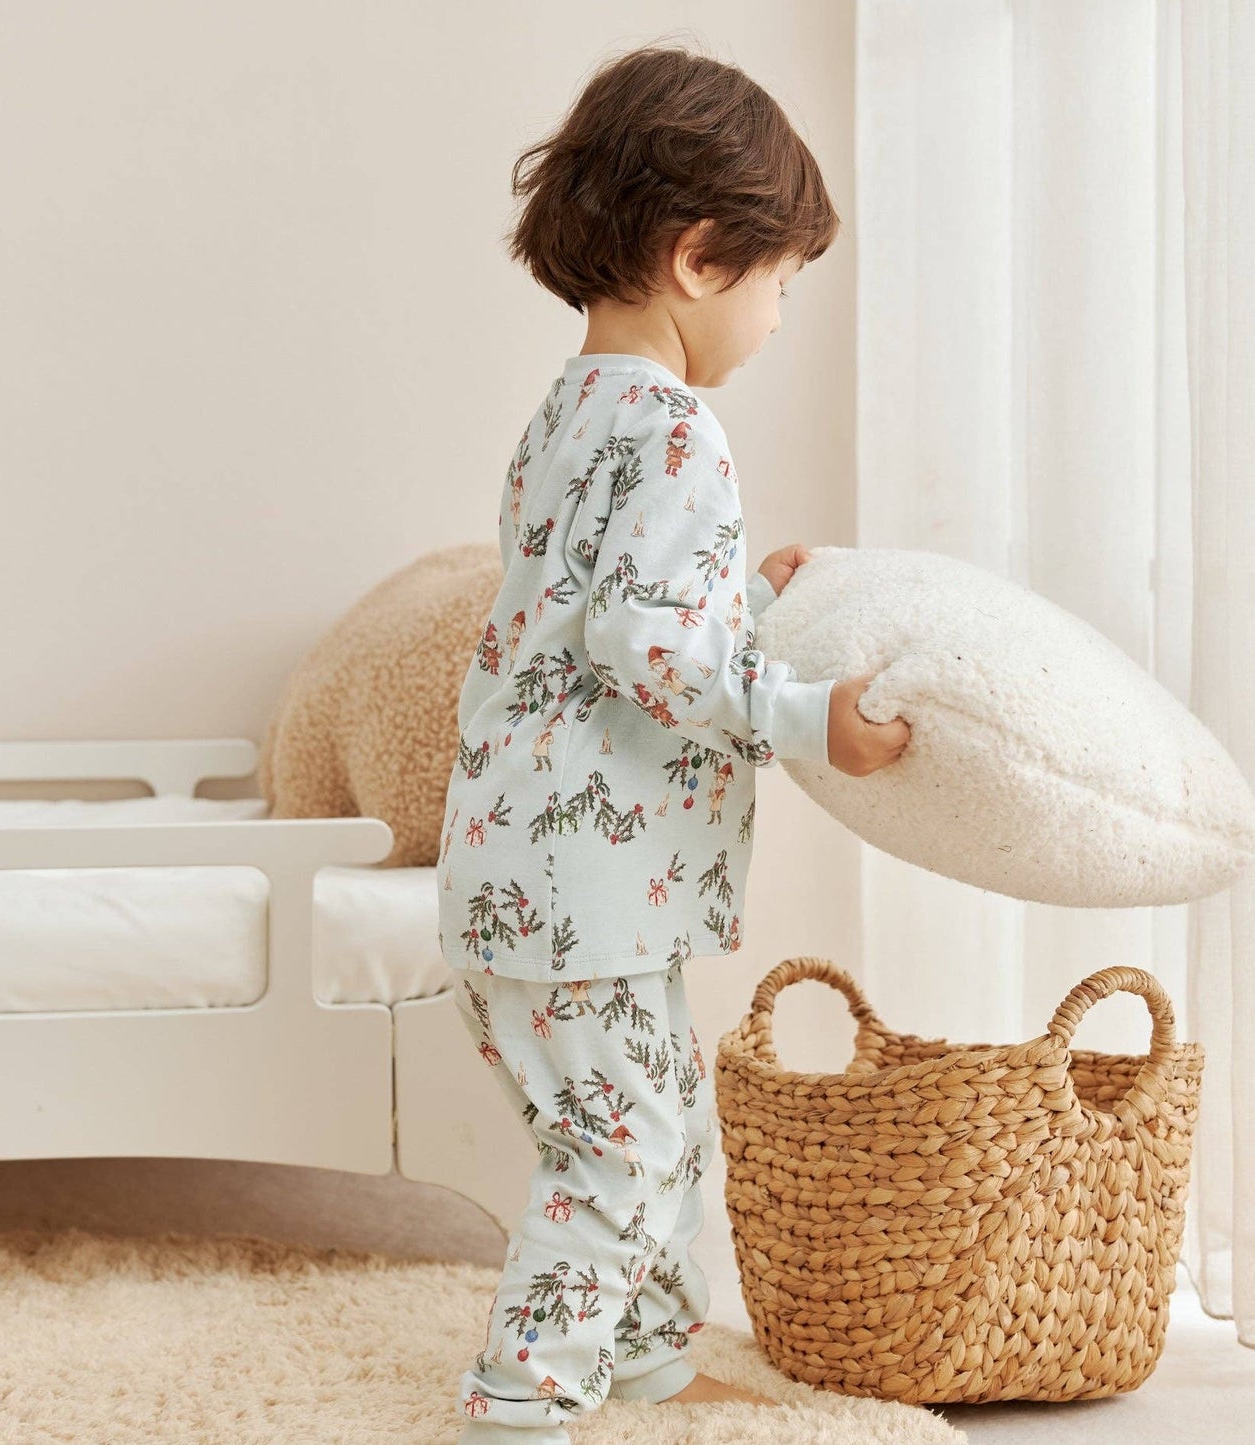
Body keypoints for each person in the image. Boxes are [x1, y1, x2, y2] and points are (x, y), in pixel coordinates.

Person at [437, 40, 910, 1445]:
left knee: (646, 1134)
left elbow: (606, 610)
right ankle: (516, 1401)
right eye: (779, 282)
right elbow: (649, 648)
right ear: (700, 259)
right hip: (585, 899)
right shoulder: (676, 429)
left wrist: (741, 598)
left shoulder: (564, 420)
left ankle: (642, 1365)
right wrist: (802, 710)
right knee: (625, 1151)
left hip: (515, 882)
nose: (777, 317)